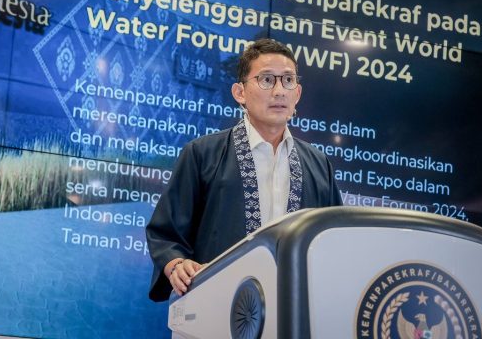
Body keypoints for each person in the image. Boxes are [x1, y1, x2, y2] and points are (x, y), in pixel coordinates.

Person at [146, 38, 342, 302]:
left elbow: (333, 241)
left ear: (297, 94)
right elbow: (166, 234)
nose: (279, 91)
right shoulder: (202, 154)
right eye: (266, 80)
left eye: (288, 80)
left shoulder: (319, 165)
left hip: (294, 307)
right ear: (240, 93)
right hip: (215, 303)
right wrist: (177, 264)